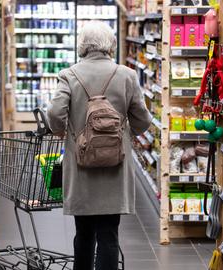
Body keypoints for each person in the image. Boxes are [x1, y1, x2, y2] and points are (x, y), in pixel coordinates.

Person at [46, 21, 152, 270]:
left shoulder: (69, 75)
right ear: (110, 45)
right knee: (109, 236)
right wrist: (124, 133)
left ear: (82, 45)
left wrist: (63, 131)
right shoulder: (126, 75)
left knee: (83, 234)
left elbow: (54, 115)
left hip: (81, 168)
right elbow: (143, 121)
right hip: (115, 167)